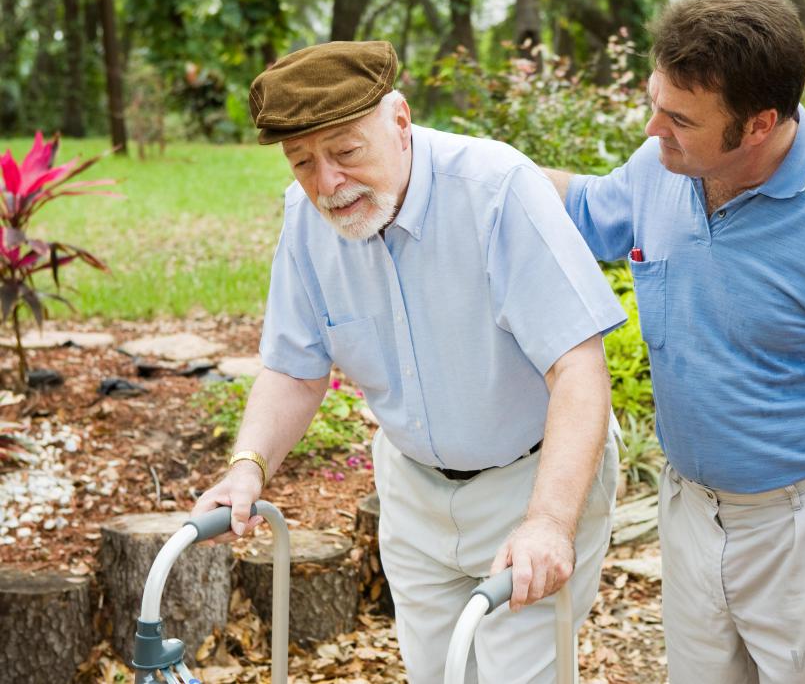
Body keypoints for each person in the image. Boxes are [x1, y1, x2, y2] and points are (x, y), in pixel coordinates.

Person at [544, 0, 805, 683]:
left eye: (679, 119)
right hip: (690, 512)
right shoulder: (659, 167)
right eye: (653, 103)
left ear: (759, 124)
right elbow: (580, 208)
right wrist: (462, 170)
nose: (652, 130)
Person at [192, 41, 626, 683]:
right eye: (302, 161)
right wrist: (246, 467)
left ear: (400, 121)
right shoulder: (305, 217)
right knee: (436, 676)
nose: (326, 184)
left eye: (344, 152)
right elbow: (294, 367)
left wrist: (548, 523)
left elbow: (580, 370)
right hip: (413, 490)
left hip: (531, 483)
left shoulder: (497, 190)